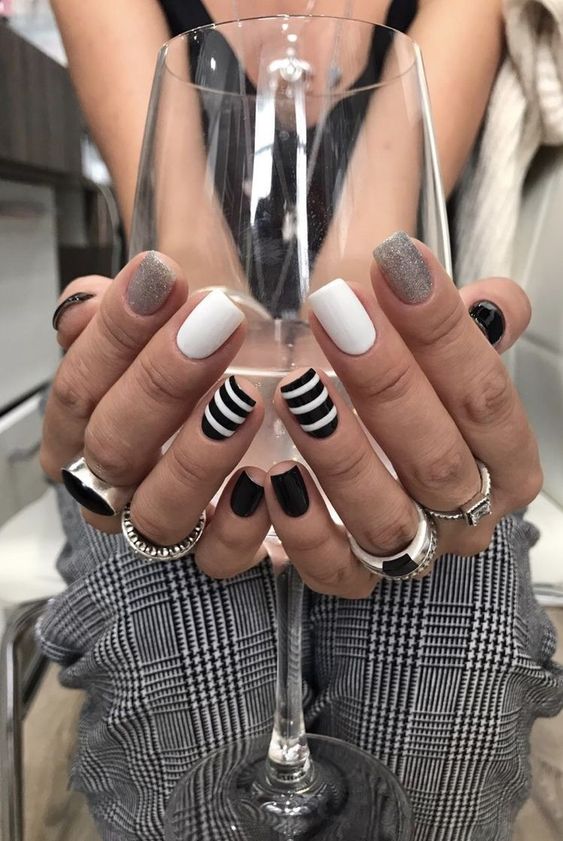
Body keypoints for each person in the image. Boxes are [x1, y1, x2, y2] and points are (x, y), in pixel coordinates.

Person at [37, 2, 563, 840]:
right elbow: (191, 272)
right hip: (167, 395)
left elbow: (362, 285)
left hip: (368, 396)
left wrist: (329, 407)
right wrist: (262, 412)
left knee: (456, 684)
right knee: (183, 695)